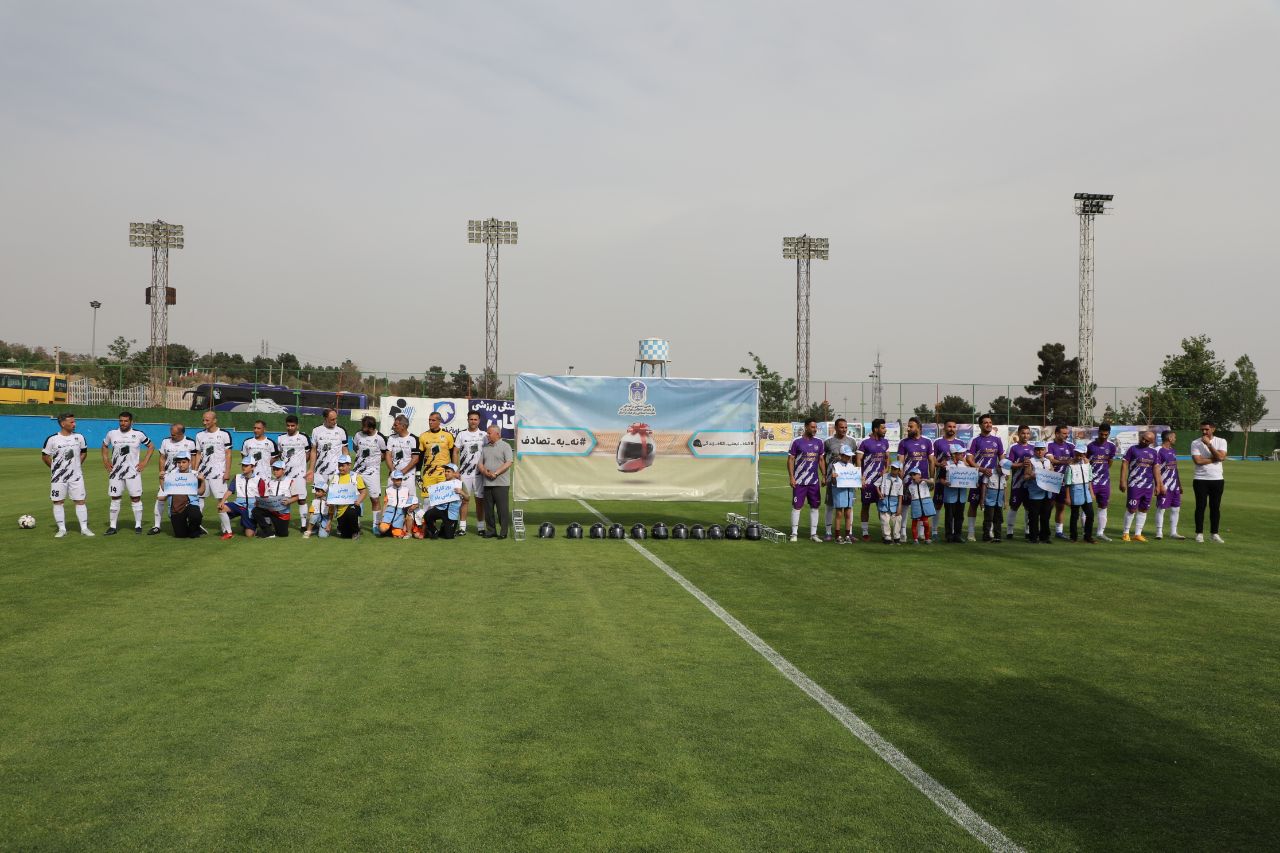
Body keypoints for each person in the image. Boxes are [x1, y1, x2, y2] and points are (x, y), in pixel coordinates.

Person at [101, 411, 154, 535]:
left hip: (133, 472)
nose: (123, 423)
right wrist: (106, 460)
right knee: (115, 498)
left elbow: (151, 446)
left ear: (131, 422)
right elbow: (104, 446)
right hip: (115, 473)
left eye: (125, 421)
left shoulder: (138, 434)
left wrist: (144, 462)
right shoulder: (112, 434)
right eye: (121, 421)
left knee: (135, 498)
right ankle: (112, 527)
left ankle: (138, 525)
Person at [42, 412, 93, 537]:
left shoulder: (79, 437)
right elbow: (45, 456)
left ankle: (84, 528)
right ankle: (62, 529)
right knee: (58, 501)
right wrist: (55, 469)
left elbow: (84, 452)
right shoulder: (52, 439)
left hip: (76, 476)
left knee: (80, 501)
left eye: (74, 422)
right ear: (63, 424)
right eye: (72, 422)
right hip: (58, 477)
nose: (74, 424)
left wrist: (77, 465)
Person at [151, 422, 198, 535]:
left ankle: (194, 522)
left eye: (174, 434)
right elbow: (162, 458)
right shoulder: (165, 441)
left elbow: (194, 458)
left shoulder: (190, 442)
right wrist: (162, 472)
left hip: (185, 477)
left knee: (191, 499)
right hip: (169, 476)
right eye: (171, 434)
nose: (171, 436)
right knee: (160, 499)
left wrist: (194, 473)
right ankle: (157, 526)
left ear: (181, 433)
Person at [307, 408, 349, 531]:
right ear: (325, 419)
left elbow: (345, 450)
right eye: (332, 419)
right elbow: (313, 451)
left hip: (336, 472)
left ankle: (340, 525)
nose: (335, 421)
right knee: (318, 497)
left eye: (336, 419)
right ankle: (317, 524)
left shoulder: (341, 431)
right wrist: (311, 469)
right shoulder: (316, 431)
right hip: (319, 472)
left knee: (337, 498)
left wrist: (346, 467)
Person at [195, 410, 234, 539]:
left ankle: (227, 529)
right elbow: (198, 454)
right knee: (199, 498)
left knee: (222, 500)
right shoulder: (200, 435)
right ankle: (196, 525)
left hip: (219, 473)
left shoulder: (224, 434)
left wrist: (227, 472)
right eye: (203, 420)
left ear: (214, 420)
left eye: (207, 420)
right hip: (203, 473)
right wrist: (195, 471)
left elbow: (228, 454)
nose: (204, 422)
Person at [1119, 429, 1164, 542]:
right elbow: (1124, 464)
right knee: (1131, 509)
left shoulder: (1153, 452)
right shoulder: (1132, 449)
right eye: (1143, 438)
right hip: (1134, 484)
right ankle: (1125, 533)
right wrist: (1122, 481)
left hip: (1148, 486)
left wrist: (1158, 485)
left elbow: (1156, 468)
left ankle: (1138, 534)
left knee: (1144, 509)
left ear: (1151, 442)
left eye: (1147, 440)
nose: (1143, 441)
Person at [966, 415, 1004, 542]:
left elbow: (1002, 458)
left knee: (991, 506)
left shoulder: (997, 440)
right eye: (985, 423)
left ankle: (990, 531)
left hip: (993, 480)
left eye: (990, 422)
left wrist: (1003, 469)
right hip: (977, 478)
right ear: (980, 425)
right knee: (973, 504)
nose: (988, 424)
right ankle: (971, 533)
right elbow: (969, 459)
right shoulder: (975, 440)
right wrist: (982, 469)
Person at [787, 419, 825, 542]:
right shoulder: (796, 441)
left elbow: (821, 459)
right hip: (799, 481)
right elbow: (791, 459)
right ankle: (794, 533)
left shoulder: (819, 442)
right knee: (797, 507)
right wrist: (791, 477)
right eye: (812, 427)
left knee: (815, 507)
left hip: (813, 481)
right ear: (806, 427)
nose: (815, 429)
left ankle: (813, 534)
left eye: (816, 427)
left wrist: (824, 475)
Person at [1190, 420, 1228, 543]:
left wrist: (1209, 445)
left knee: (1215, 507)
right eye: (1202, 429)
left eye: (1206, 429)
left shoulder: (1221, 441)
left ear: (1213, 429)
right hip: (1200, 479)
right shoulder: (1195, 442)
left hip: (1217, 479)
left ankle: (1214, 534)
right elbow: (1198, 461)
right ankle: (1199, 533)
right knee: (1200, 507)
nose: (1204, 431)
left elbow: (1221, 457)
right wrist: (1216, 458)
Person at [856, 418, 890, 541]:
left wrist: (886, 470)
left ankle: (885, 533)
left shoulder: (885, 442)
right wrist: (861, 477)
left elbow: (887, 458)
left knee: (882, 507)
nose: (885, 430)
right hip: (868, 481)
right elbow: (858, 459)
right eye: (883, 428)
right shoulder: (864, 442)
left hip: (881, 482)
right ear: (876, 429)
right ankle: (865, 532)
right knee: (865, 506)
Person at [351, 416, 387, 532]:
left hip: (373, 472)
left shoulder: (380, 438)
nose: (362, 428)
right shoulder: (358, 435)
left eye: (365, 427)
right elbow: (355, 447)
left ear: (371, 428)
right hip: (357, 470)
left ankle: (376, 525)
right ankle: (356, 523)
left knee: (375, 499)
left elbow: (385, 454)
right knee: (354, 497)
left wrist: (374, 462)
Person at [455, 410, 487, 537]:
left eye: (475, 419)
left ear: (479, 421)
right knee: (464, 500)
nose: (473, 421)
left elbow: (488, 452)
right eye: (471, 419)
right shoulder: (461, 435)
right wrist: (456, 469)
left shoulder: (484, 435)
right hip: (464, 473)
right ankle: (462, 527)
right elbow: (455, 451)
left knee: (480, 500)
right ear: (467, 420)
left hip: (479, 474)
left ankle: (481, 527)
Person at [477, 424, 513, 539]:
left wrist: (496, 473)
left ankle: (503, 532)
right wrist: (485, 472)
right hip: (487, 483)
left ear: (497, 434)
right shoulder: (485, 447)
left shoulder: (506, 446)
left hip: (501, 484)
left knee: (502, 510)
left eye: (489, 433)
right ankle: (491, 531)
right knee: (488, 510)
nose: (487, 435)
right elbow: (480, 464)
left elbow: (509, 462)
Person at [276, 415, 311, 530]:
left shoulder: (303, 437)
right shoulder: (280, 438)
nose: (290, 428)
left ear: (297, 426)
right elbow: (280, 454)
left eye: (292, 425)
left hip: (299, 474)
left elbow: (308, 453)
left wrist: (301, 465)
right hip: (285, 475)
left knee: (301, 499)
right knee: (284, 498)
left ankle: (303, 525)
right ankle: (282, 522)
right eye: (288, 425)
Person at [252, 459, 302, 538]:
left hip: (282, 513)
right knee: (255, 511)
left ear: (283, 470)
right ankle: (268, 532)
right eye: (274, 469)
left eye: (277, 469)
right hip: (271, 511)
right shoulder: (270, 482)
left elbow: (296, 497)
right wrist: (260, 502)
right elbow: (266, 497)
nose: (275, 471)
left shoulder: (290, 481)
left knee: (282, 534)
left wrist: (289, 501)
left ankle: (274, 527)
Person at [823, 417, 855, 540]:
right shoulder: (828, 442)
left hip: (848, 481)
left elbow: (854, 460)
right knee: (830, 505)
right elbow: (823, 459)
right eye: (841, 427)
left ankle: (849, 533)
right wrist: (825, 475)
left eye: (846, 427)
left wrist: (856, 476)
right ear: (835, 428)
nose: (844, 429)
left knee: (848, 506)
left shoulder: (852, 441)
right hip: (833, 480)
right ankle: (828, 532)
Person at [162, 451, 207, 538]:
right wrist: (161, 479)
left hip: (190, 504)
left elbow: (201, 492)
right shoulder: (171, 475)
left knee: (195, 517)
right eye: (179, 462)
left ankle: (196, 528)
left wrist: (202, 481)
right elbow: (165, 489)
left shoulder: (194, 475)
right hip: (176, 507)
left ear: (189, 462)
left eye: (183, 462)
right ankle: (189, 527)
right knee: (181, 535)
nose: (181, 464)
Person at [416, 411, 457, 507]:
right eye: (429, 420)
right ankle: (427, 517)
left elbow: (453, 454)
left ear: (439, 421)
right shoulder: (423, 436)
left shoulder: (448, 436)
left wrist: (454, 470)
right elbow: (420, 456)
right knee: (427, 501)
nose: (430, 422)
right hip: (428, 473)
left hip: (444, 473)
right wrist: (418, 473)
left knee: (444, 500)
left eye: (433, 420)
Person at [419, 463, 469, 539]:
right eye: (445, 471)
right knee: (427, 515)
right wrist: (432, 493)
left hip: (452, 512)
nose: (446, 473)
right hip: (440, 509)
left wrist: (462, 492)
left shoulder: (460, 484)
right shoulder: (441, 485)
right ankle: (434, 531)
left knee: (448, 536)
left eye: (448, 471)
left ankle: (443, 527)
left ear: (454, 473)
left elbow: (467, 498)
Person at [1087, 423, 1119, 542]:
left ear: (1109, 434)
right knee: (1087, 506)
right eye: (1102, 434)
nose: (1104, 436)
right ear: (1098, 432)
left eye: (1106, 434)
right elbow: (1085, 462)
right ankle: (1086, 532)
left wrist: (1102, 472)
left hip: (1104, 481)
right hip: (1091, 481)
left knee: (1103, 506)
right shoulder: (1090, 445)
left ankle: (1100, 533)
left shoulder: (1111, 446)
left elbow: (1109, 462)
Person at [324, 455, 367, 539]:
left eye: (343, 466)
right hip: (339, 509)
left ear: (349, 465)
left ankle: (356, 531)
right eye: (339, 465)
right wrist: (329, 502)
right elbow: (331, 494)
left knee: (351, 512)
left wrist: (359, 501)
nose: (340, 468)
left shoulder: (356, 477)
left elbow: (363, 492)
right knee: (345, 535)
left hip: (353, 506)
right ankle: (344, 527)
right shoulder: (335, 477)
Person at [930, 420, 960, 539]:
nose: (951, 429)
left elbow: (963, 460)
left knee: (953, 506)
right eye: (949, 426)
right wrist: (939, 464)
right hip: (940, 479)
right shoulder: (937, 442)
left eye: (954, 426)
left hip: (955, 481)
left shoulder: (960, 442)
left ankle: (952, 531)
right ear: (944, 428)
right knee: (938, 505)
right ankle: (934, 531)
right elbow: (932, 459)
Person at [1155, 430, 1186, 540]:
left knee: (1176, 509)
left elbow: (1175, 468)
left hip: (1174, 485)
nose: (1175, 439)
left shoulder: (1172, 450)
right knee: (1161, 508)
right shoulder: (1158, 450)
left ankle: (1173, 532)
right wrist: (1160, 485)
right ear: (1169, 438)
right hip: (1164, 485)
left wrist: (1179, 484)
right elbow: (1156, 469)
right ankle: (1159, 532)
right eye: (1174, 437)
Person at [1004, 425, 1033, 539]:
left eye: (1027, 433)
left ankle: (1028, 531)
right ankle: (1009, 531)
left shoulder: (1033, 447)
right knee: (1014, 507)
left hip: (1030, 484)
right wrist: (1021, 464)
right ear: (1018, 434)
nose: (1025, 436)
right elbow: (1007, 464)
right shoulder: (1013, 447)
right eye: (1023, 433)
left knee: (1029, 508)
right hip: (1017, 484)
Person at [1046, 424, 1075, 540]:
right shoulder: (1050, 445)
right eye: (1064, 433)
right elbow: (1051, 460)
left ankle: (1059, 532)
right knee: (1049, 507)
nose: (1066, 435)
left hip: (1065, 482)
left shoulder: (1071, 446)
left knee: (1061, 507)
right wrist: (1067, 462)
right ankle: (1045, 530)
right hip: (1052, 480)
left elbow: (1075, 460)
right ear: (1057, 434)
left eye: (1067, 433)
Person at [221, 458, 262, 537]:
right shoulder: (237, 477)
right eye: (243, 465)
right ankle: (228, 532)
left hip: (250, 508)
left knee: (249, 535)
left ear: (253, 467)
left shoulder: (259, 479)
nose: (243, 467)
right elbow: (230, 491)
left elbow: (263, 496)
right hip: (238, 505)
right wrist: (222, 501)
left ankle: (252, 527)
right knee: (221, 508)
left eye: (246, 465)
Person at [1064, 443, 1096, 543]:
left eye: (1081, 454)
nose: (1078, 456)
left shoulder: (1087, 464)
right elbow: (1067, 483)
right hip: (1075, 491)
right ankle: (1073, 537)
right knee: (1075, 515)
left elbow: (1089, 479)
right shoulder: (1070, 466)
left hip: (1086, 492)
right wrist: (1067, 497)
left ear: (1084, 454)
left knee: (1090, 515)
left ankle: (1088, 536)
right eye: (1077, 454)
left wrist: (1092, 493)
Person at [1024, 441, 1054, 544]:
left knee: (1046, 516)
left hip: (1047, 493)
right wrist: (1032, 476)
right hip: (1035, 493)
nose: (1040, 452)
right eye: (1037, 449)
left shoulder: (1048, 461)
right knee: (1034, 517)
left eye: (1042, 449)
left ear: (1045, 450)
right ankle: (1033, 537)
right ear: (1034, 450)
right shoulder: (1030, 461)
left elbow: (1053, 473)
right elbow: (1025, 476)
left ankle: (1044, 537)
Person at [827, 444, 857, 543]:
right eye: (846, 455)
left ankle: (847, 535)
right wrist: (833, 478)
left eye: (849, 456)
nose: (848, 457)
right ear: (841, 455)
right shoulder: (836, 466)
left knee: (848, 513)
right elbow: (833, 482)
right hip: (839, 492)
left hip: (849, 491)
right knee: (839, 513)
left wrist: (858, 479)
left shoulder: (851, 465)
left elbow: (854, 478)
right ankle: (837, 536)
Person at [378, 468, 419, 538]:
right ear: (392, 480)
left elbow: (411, 502)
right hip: (389, 513)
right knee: (382, 529)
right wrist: (382, 517)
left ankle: (391, 529)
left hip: (400, 515)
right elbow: (385, 504)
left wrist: (405, 518)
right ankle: (386, 528)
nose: (399, 481)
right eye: (396, 479)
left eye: (400, 479)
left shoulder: (406, 490)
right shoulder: (388, 490)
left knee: (397, 536)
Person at [384, 413, 421, 485]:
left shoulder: (413, 439)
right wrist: (393, 471)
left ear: (403, 426)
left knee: (409, 493)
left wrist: (402, 472)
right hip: (394, 473)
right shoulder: (391, 438)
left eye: (395, 425)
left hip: (408, 474)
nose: (393, 427)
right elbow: (388, 455)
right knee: (390, 492)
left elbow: (415, 459)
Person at [982, 458, 1012, 542]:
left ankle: (997, 537)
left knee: (998, 519)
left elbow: (1005, 488)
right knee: (988, 519)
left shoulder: (1004, 476)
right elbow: (984, 486)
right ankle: (986, 536)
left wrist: (1005, 501)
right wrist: (982, 500)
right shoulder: (989, 473)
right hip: (989, 501)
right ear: (998, 466)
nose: (1003, 472)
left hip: (999, 502)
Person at [877, 460, 905, 544]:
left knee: (898, 519)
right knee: (885, 520)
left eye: (895, 469)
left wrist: (899, 507)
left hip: (894, 502)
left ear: (899, 470)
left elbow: (900, 495)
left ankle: (897, 537)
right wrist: (879, 493)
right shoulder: (884, 476)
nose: (893, 470)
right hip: (884, 501)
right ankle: (887, 537)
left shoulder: (900, 481)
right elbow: (876, 485)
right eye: (892, 468)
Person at [906, 468, 936, 545]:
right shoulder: (910, 486)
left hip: (925, 506)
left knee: (926, 523)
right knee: (914, 523)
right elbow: (908, 495)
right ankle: (915, 540)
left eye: (914, 474)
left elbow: (932, 483)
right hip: (916, 506)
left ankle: (927, 539)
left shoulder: (925, 483)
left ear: (919, 475)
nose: (913, 476)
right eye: (911, 475)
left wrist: (923, 479)